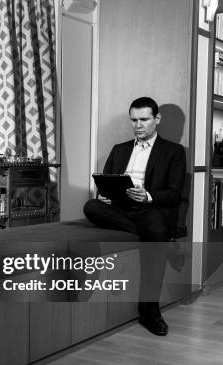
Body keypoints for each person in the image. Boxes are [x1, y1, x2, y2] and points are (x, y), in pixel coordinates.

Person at [83, 97, 186, 336]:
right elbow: (105, 181)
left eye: (144, 119)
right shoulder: (119, 149)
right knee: (91, 206)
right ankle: (155, 237)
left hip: (150, 209)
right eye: (134, 120)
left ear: (157, 119)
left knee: (156, 229)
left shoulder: (173, 151)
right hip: (119, 209)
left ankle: (149, 310)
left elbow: (173, 194)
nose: (138, 125)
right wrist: (105, 196)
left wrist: (147, 196)